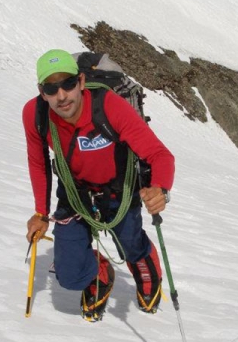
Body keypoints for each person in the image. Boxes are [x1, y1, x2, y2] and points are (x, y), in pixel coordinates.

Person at [22, 49, 175, 322]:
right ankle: (100, 271)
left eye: (68, 83)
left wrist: (160, 188)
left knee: (131, 246)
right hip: (74, 193)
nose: (61, 95)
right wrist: (40, 213)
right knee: (69, 277)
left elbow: (159, 155)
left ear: (81, 82)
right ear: (41, 91)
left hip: (119, 190)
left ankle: (146, 267)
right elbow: (38, 162)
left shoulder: (109, 106)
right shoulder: (35, 113)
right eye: (51, 87)